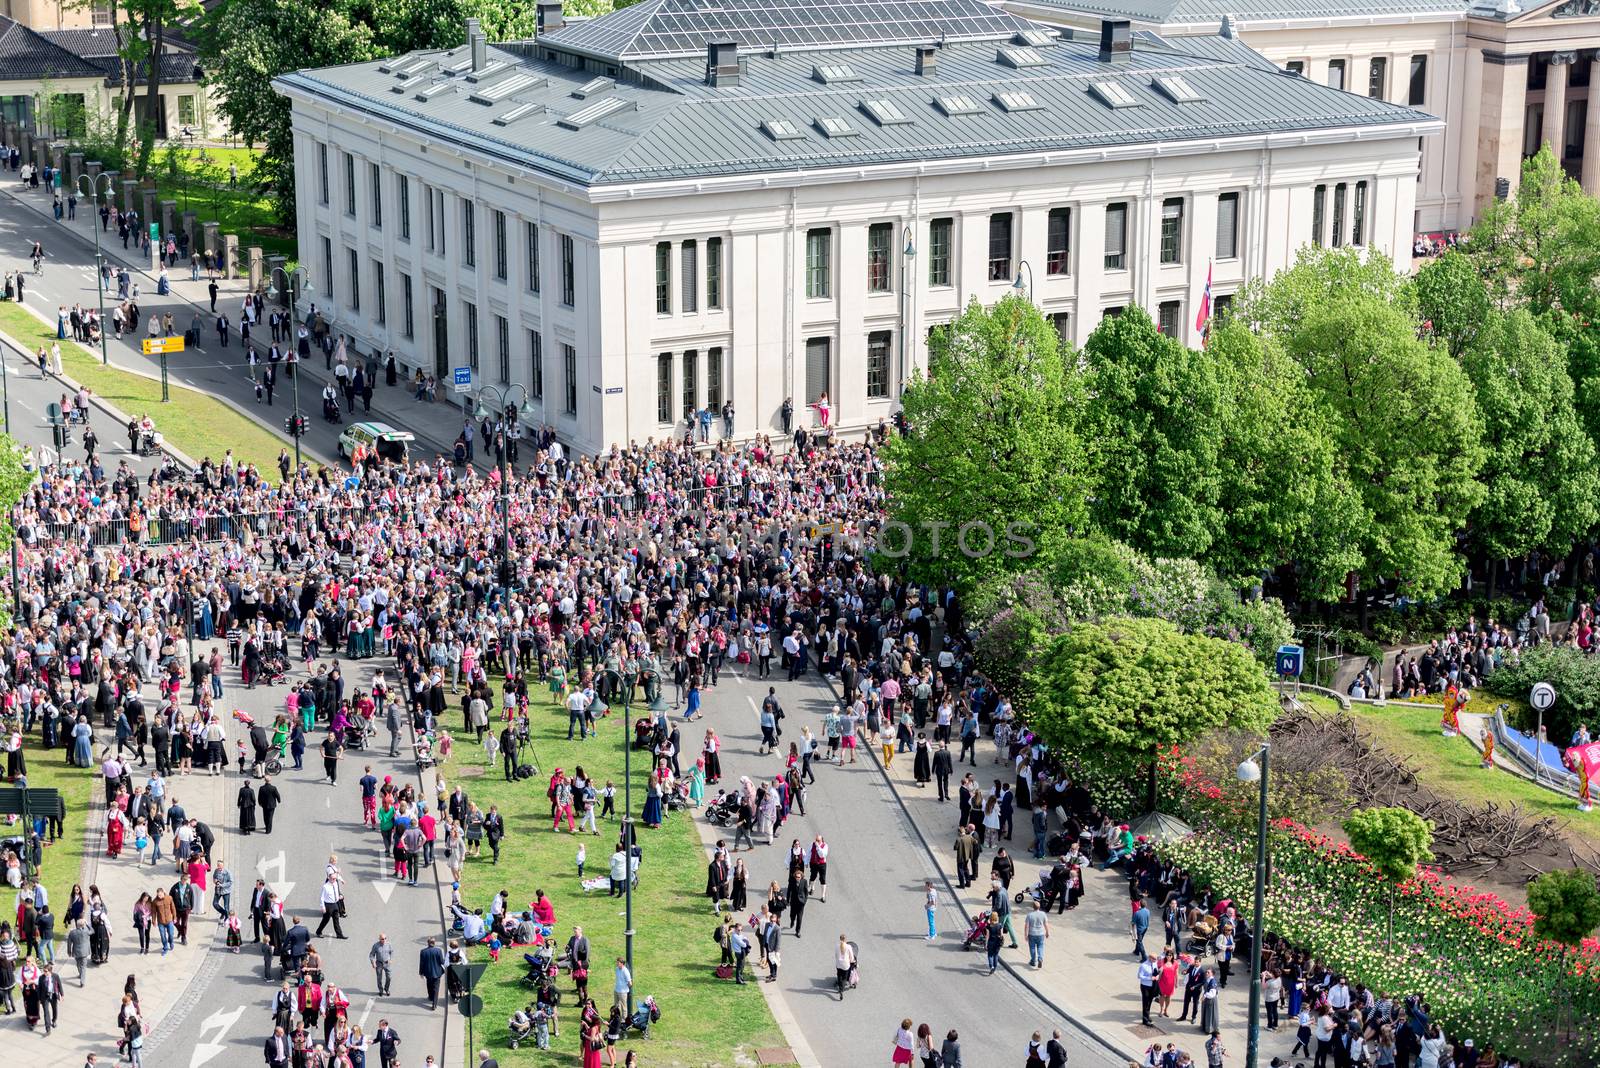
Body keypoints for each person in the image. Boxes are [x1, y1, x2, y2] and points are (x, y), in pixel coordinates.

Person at [419, 937, 446, 1009]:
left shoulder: (423, 951)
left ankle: (430, 997)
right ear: (434, 943)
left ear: (428, 943)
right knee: (436, 988)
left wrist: (421, 972)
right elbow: (442, 962)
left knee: (429, 984)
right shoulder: (438, 951)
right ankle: (434, 1004)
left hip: (427, 972)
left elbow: (422, 963)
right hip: (437, 973)